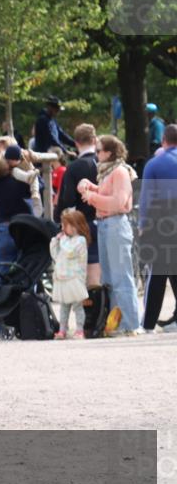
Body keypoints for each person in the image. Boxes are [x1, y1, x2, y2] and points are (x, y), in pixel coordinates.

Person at [79, 135, 142, 335]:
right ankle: (116, 323)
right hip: (105, 225)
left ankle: (131, 324)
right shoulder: (106, 172)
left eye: (99, 151)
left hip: (115, 223)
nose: (96, 154)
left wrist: (92, 196)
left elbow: (118, 202)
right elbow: (107, 195)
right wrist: (90, 185)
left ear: (109, 152)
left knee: (121, 277)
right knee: (108, 278)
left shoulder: (120, 172)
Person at [139, 123, 177, 332]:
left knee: (158, 273)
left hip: (164, 223)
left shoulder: (154, 164)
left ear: (163, 141)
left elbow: (146, 198)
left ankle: (148, 323)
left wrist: (143, 225)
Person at [54, 124, 100, 287]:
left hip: (85, 221)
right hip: (108, 219)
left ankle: (94, 308)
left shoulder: (73, 168)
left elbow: (68, 200)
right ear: (95, 140)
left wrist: (58, 220)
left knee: (90, 266)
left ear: (76, 142)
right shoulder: (104, 163)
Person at [0, 155, 32, 285]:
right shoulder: (17, 182)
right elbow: (36, 186)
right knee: (26, 267)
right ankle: (27, 299)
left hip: (3, 228)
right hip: (22, 226)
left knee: (1, 268)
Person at [50, 209, 90, 339]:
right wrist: (55, 242)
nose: (63, 228)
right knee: (64, 307)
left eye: (66, 225)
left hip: (74, 279)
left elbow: (69, 252)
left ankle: (80, 330)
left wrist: (62, 241)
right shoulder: (64, 240)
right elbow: (56, 256)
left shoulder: (80, 240)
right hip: (63, 279)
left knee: (78, 307)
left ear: (76, 226)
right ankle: (62, 330)